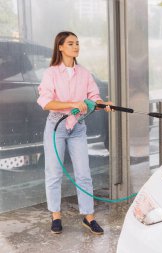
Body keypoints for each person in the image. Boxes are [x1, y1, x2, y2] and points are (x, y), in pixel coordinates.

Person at [37, 31, 112, 235]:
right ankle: (55, 216)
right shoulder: (51, 73)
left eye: (77, 43)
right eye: (70, 43)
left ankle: (88, 217)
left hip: (78, 128)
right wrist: (72, 104)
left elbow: (93, 97)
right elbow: (45, 102)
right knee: (53, 173)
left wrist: (101, 104)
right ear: (60, 47)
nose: (76, 46)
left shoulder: (84, 73)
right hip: (56, 127)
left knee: (84, 174)